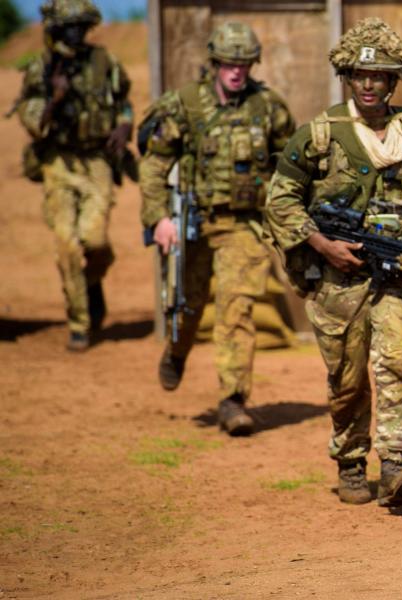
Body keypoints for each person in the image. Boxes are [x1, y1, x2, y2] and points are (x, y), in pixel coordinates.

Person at [264, 18, 402, 507]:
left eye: (380, 76)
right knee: (346, 380)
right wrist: (323, 245)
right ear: (347, 77)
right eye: (360, 76)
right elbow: (280, 201)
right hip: (336, 281)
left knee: (397, 360)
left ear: (393, 81)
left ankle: (397, 464)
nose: (369, 85)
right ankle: (350, 457)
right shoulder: (319, 136)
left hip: (399, 275)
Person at [138, 22, 295, 436]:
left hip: (244, 225)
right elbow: (154, 166)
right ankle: (177, 349)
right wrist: (159, 219)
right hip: (193, 222)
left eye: (244, 63)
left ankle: (233, 399)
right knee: (188, 305)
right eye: (229, 63)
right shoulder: (186, 105)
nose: (237, 71)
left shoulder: (268, 107)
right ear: (214, 63)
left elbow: (292, 164)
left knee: (236, 308)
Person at [13, 0, 133, 352]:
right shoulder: (41, 68)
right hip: (59, 164)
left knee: (95, 241)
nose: (76, 33)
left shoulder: (104, 61)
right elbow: (33, 122)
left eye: (81, 26)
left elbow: (123, 99)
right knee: (66, 243)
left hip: (96, 161)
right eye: (69, 27)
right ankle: (79, 323)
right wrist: (56, 98)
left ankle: (91, 281)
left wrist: (125, 125)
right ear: (55, 31)